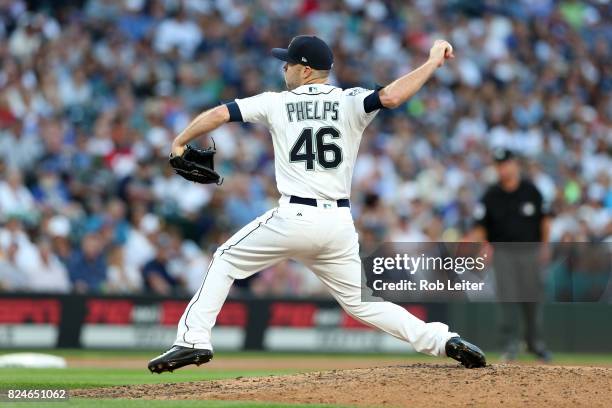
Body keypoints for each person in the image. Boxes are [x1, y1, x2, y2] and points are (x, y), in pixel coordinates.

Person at [149, 36, 486, 373]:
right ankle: (442, 341)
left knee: (224, 259)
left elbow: (221, 113)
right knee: (361, 302)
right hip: (338, 223)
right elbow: (393, 96)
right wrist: (431, 62)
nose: (284, 67)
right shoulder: (350, 100)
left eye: (289, 63)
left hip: (295, 216)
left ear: (306, 71)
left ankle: (193, 339)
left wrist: (180, 142)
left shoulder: (276, 103)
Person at [470, 148, 552, 362]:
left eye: (505, 164)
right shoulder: (491, 195)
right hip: (503, 252)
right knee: (507, 299)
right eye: (498, 165)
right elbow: (481, 226)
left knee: (532, 299)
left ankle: (535, 344)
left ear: (514, 164)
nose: (502, 168)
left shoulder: (531, 190)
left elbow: (544, 220)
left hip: (529, 251)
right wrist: (484, 246)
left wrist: (545, 245)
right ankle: (509, 345)